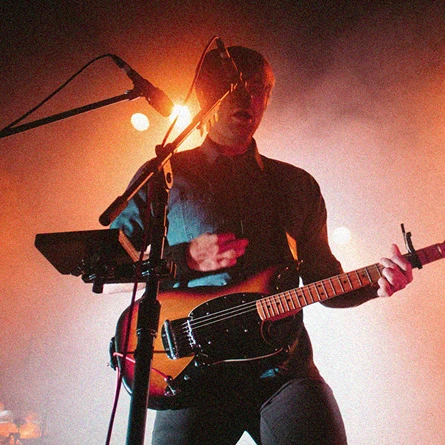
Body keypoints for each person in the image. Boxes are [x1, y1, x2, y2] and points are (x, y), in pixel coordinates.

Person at [111, 45, 413, 445]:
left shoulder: (296, 185)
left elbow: (324, 282)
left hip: (283, 373)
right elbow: (106, 267)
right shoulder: (167, 175)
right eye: (235, 86)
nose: (249, 98)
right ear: (204, 94)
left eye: (260, 90)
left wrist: (377, 284)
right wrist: (184, 258)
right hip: (195, 375)